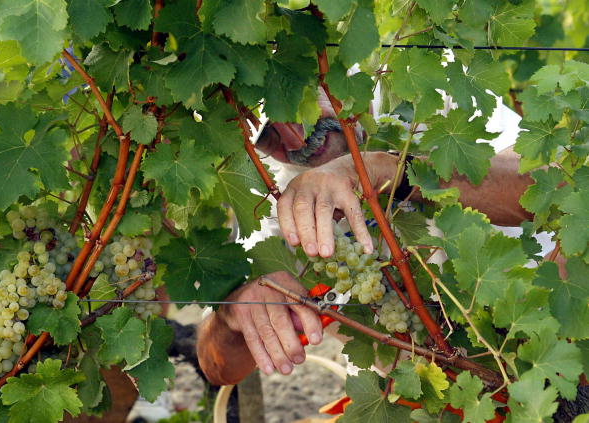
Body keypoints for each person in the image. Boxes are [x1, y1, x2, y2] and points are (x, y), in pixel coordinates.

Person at [196, 97, 539, 387]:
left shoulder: (424, 93)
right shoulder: (281, 211)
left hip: (538, 346)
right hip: (416, 401)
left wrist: (392, 172)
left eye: (296, 107)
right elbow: (219, 368)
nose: (295, 140)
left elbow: (542, 186)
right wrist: (232, 314)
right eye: (267, 136)